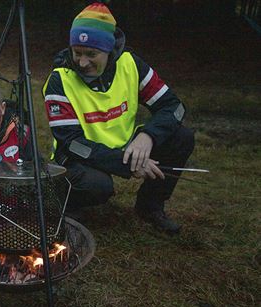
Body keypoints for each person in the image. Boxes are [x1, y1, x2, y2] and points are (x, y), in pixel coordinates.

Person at [42, 3, 194, 234]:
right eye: (77, 53)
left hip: (126, 145)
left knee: (182, 137)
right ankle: (68, 206)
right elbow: (72, 143)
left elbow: (174, 107)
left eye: (92, 54)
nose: (82, 62)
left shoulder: (131, 64)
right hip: (79, 156)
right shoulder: (59, 79)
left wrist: (147, 137)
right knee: (98, 185)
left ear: (110, 49)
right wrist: (125, 162)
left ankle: (150, 207)